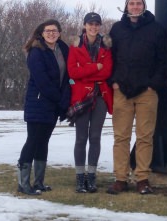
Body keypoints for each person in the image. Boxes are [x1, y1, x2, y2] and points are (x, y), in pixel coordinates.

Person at [107, 0, 167, 195]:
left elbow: (163, 61)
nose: (135, 6)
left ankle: (142, 178)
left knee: (145, 137)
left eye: (138, 2)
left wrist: (153, 84)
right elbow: (111, 58)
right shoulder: (117, 29)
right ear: (126, 6)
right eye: (131, 3)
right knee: (121, 137)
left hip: (147, 92)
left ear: (144, 6)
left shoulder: (156, 29)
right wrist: (113, 81)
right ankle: (120, 178)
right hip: (122, 90)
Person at [16, 19, 70, 195]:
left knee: (43, 142)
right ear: (42, 32)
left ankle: (38, 182)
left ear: (59, 33)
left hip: (54, 105)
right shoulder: (36, 51)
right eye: (48, 31)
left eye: (55, 30)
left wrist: (65, 98)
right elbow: (42, 81)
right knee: (32, 141)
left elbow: (68, 76)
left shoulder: (64, 50)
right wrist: (60, 99)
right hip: (39, 103)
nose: (51, 33)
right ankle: (23, 183)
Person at [67, 12, 113, 193]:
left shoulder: (106, 46)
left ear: (100, 26)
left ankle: (91, 176)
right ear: (84, 25)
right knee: (81, 137)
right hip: (82, 97)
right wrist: (95, 67)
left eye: (97, 24)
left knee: (95, 137)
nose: (94, 27)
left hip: (100, 96)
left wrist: (84, 70)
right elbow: (72, 72)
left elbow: (107, 72)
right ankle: (80, 177)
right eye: (90, 24)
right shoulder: (75, 45)